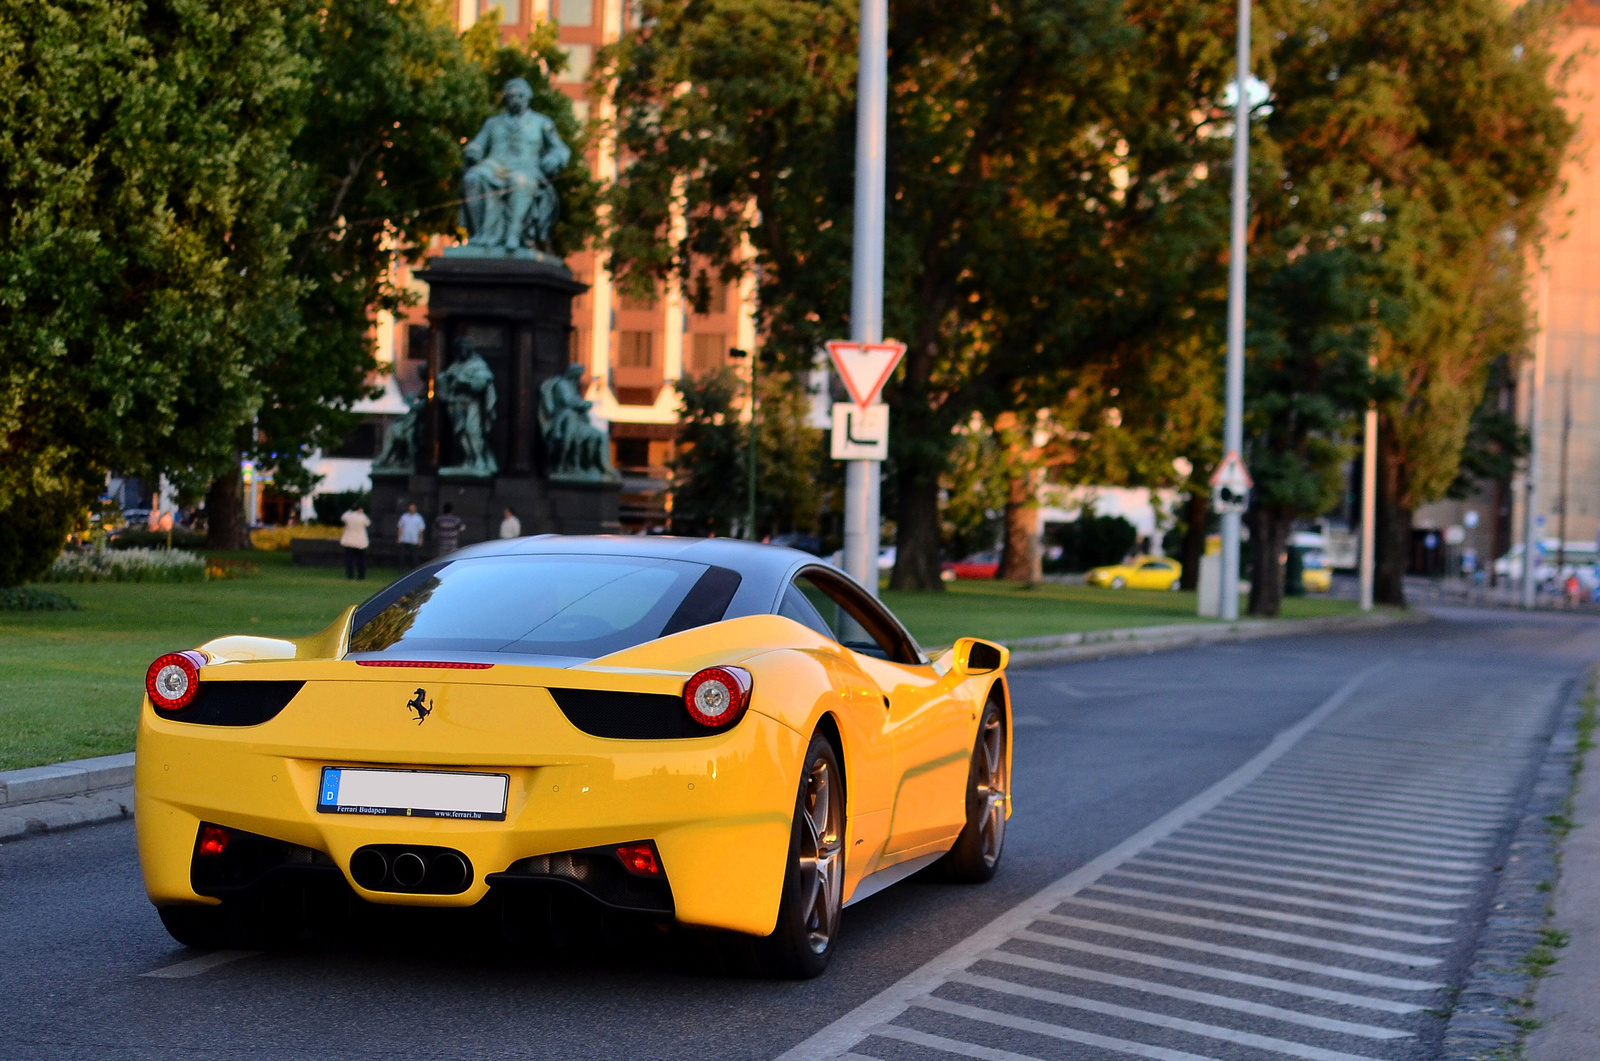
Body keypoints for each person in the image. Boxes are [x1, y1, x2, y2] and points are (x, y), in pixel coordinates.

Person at [340, 505, 371, 581]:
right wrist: (362, 513)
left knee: (349, 560)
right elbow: (368, 523)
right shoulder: (362, 517)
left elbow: (343, 517)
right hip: (360, 542)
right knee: (361, 560)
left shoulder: (348, 516)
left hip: (349, 541)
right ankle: (361, 576)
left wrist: (349, 511)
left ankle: (350, 575)